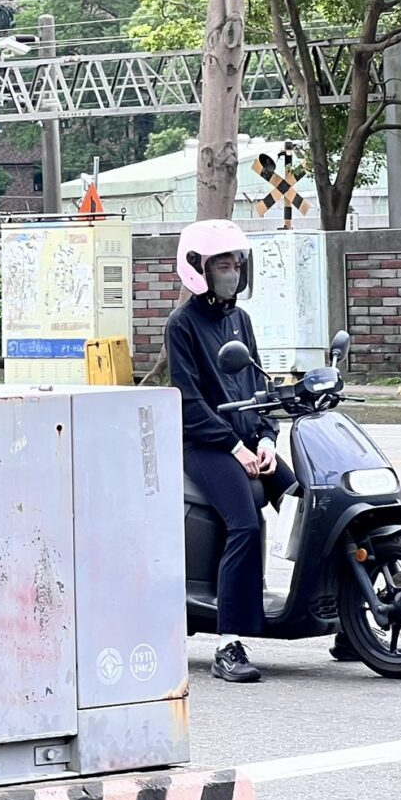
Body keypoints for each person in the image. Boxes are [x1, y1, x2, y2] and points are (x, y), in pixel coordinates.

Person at [166, 219, 299, 684]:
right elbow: (189, 402)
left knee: (307, 500)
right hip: (204, 445)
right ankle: (228, 643)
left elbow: (258, 386)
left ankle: (341, 612)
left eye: (237, 263)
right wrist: (235, 445)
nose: (233, 271)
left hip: (246, 442)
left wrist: (265, 439)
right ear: (197, 268)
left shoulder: (241, 320)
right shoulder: (182, 325)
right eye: (223, 263)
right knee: (244, 522)